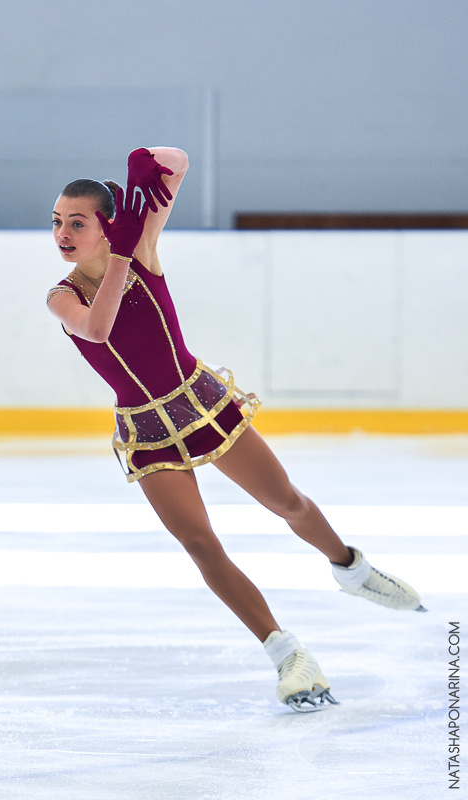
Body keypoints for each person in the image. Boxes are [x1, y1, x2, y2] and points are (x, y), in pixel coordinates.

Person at [46, 147, 425, 713]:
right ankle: (288, 655)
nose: (62, 233)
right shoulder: (62, 295)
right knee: (201, 545)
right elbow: (99, 330)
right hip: (147, 430)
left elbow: (177, 161)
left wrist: (142, 162)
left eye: (78, 222)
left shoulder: (142, 251)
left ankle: (351, 568)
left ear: (107, 224)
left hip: (202, 404)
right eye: (57, 221)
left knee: (287, 502)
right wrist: (120, 252)